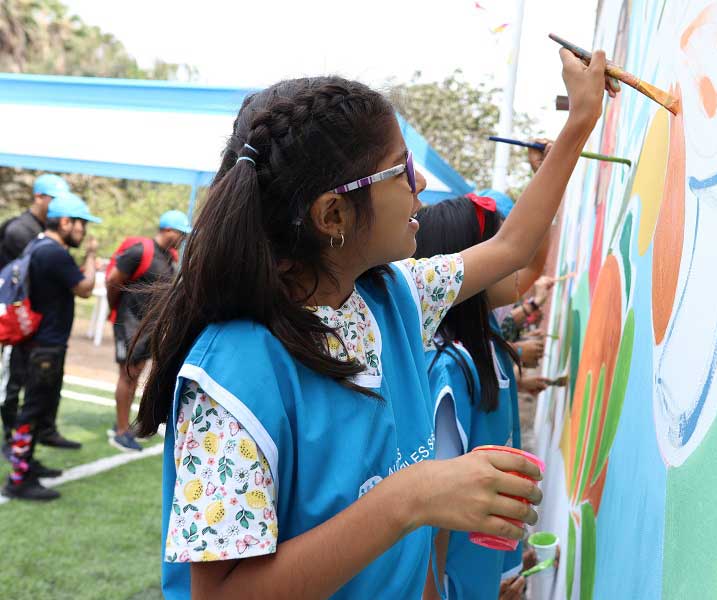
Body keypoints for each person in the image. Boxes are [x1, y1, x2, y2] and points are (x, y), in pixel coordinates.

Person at [135, 48, 612, 599]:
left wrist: (580, 121)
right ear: (333, 215)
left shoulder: (392, 297)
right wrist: (410, 497)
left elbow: (511, 247)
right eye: (402, 169)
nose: (422, 182)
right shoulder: (234, 377)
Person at [414, 192, 551, 600]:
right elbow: (433, 520)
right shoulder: (452, 370)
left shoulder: (485, 344)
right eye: (500, 246)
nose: (516, 262)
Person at [2, 192, 100, 501]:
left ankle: (27, 465)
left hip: (34, 342)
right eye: (81, 224)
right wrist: (91, 256)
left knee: (37, 408)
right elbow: (85, 288)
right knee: (32, 410)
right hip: (45, 347)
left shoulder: (37, 244)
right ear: (65, 222)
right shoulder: (54, 253)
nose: (83, 231)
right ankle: (18, 479)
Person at [105, 210, 190, 452]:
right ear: (167, 230)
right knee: (128, 375)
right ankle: (121, 432)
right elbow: (113, 281)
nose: (183, 239)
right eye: (181, 233)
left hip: (147, 328)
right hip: (129, 324)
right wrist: (115, 310)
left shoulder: (168, 256)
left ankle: (123, 423)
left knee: (136, 374)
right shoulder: (140, 251)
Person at [0, 173, 70, 451]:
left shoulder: (45, 230)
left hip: (41, 324)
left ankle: (42, 432)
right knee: (14, 383)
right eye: (55, 199)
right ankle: (11, 438)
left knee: (41, 385)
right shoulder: (20, 230)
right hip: (18, 322)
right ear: (39, 197)